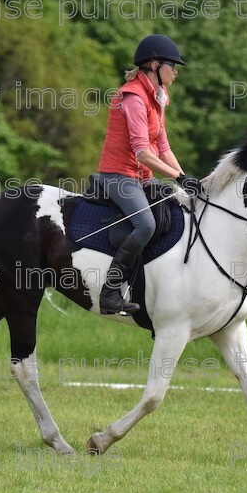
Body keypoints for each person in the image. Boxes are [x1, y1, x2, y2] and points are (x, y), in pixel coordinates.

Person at [97, 34, 203, 315]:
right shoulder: (133, 97)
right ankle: (110, 294)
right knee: (146, 224)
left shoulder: (157, 98)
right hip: (118, 175)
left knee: (175, 209)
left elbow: (163, 146)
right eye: (172, 65)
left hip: (141, 177)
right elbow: (143, 152)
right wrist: (178, 178)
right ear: (155, 65)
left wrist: (186, 178)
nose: (176, 71)